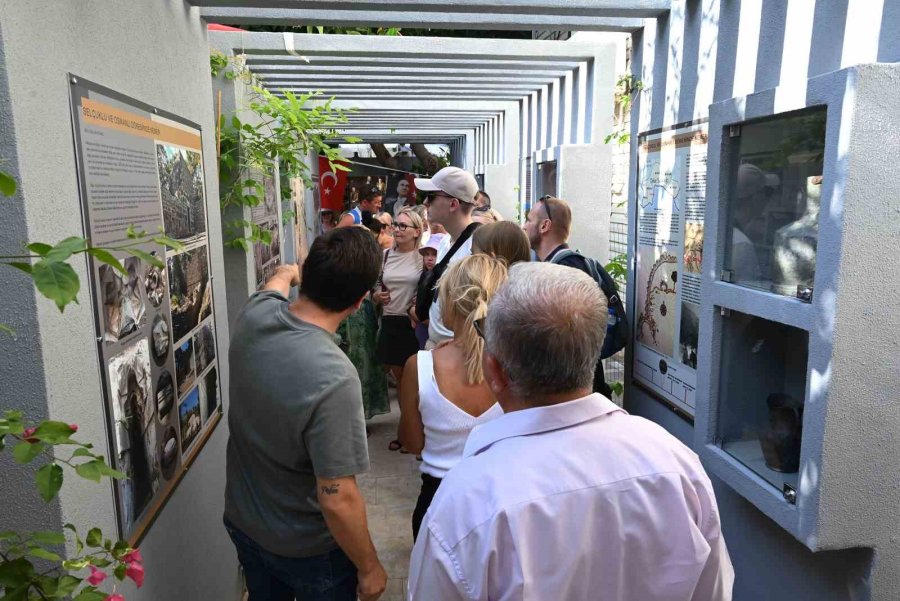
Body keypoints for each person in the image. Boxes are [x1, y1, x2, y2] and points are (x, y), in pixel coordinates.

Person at [409, 262, 734, 600]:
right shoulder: (675, 463)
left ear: (495, 371)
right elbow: (713, 591)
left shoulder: (466, 503)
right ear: (593, 352)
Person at [225, 228, 388, 601]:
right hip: (309, 551)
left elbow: (275, 283)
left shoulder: (255, 314)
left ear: (309, 273)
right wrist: (369, 566)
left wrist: (287, 272)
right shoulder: (335, 376)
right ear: (360, 301)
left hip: (245, 523)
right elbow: (336, 496)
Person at [398, 254, 507, 540]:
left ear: (450, 303)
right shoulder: (518, 368)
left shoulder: (418, 367)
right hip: (500, 501)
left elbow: (412, 443)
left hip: (438, 499)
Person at [522, 195, 614, 397]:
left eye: (529, 219)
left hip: (574, 393)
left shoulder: (562, 273)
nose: (524, 226)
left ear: (544, 226)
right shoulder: (568, 266)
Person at [414, 166, 481, 348]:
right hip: (436, 346)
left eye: (432, 196)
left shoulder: (476, 250)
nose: (426, 202)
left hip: (458, 353)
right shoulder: (444, 242)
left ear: (453, 204)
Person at [337, 221, 391, 421]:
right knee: (351, 365)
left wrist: (374, 296)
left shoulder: (372, 261)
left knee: (366, 365)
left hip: (364, 318)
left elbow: (376, 285)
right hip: (347, 320)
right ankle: (352, 415)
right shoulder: (341, 263)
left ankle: (362, 414)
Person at [373, 207, 424, 399]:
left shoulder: (423, 256)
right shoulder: (386, 255)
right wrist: (377, 295)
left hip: (412, 323)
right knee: (400, 379)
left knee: (415, 380)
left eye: (403, 225)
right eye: (396, 225)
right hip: (390, 321)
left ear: (417, 231)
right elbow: (377, 283)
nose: (397, 229)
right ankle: (406, 423)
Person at [410, 233, 446, 350]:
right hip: (421, 329)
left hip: (432, 329)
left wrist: (413, 312)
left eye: (434, 254)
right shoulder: (425, 275)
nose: (429, 258)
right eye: (426, 254)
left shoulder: (443, 279)